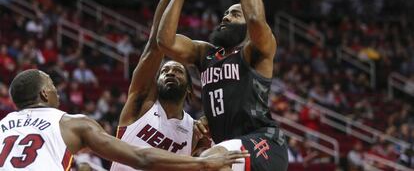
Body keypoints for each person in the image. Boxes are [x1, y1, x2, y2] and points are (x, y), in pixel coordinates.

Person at [157, 0, 288, 171]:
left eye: (235, 14)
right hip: (228, 146)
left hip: (264, 141)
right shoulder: (205, 54)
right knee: (210, 159)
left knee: (210, 161)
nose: (226, 16)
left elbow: (257, 18)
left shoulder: (254, 51)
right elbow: (164, 41)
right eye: (226, 13)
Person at [0, 69, 248, 170]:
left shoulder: (2, 126)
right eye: (52, 86)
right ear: (44, 94)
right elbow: (142, 157)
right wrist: (204, 164)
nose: (57, 91)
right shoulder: (70, 122)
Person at [111, 0, 214, 171]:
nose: (169, 72)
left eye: (177, 70)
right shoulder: (141, 104)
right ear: (154, 84)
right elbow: (153, 46)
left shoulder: (194, 131)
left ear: (189, 89)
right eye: (165, 71)